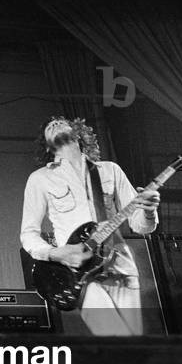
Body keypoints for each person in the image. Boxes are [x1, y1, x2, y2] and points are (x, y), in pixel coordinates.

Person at [20, 117, 160, 335]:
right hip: (80, 272)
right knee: (116, 337)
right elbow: (28, 235)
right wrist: (56, 254)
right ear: (47, 145)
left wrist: (149, 210)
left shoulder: (110, 170)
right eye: (49, 126)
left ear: (78, 133)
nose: (54, 123)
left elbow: (141, 227)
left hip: (121, 264)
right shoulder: (41, 179)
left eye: (60, 121)